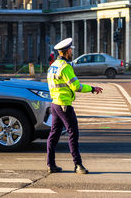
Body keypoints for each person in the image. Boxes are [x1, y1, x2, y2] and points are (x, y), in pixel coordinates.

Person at [46, 37, 103, 174]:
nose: (72, 52)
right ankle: (78, 165)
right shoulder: (65, 67)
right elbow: (76, 86)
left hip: (55, 103)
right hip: (64, 105)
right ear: (67, 51)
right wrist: (92, 88)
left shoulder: (53, 65)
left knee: (54, 134)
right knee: (73, 134)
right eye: (71, 50)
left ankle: (51, 164)